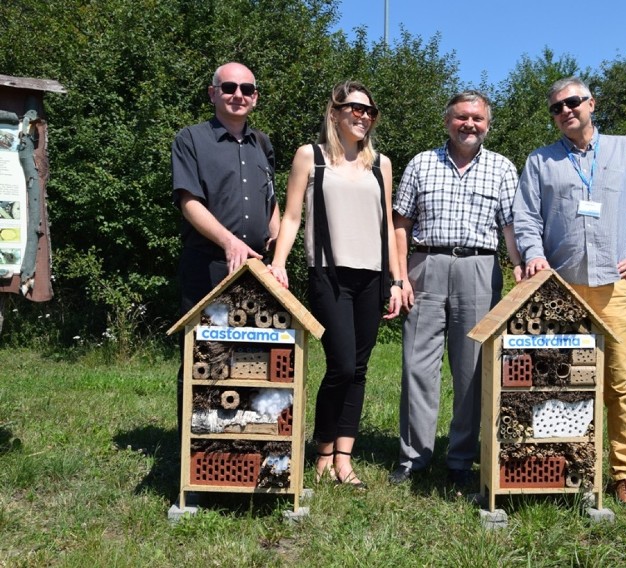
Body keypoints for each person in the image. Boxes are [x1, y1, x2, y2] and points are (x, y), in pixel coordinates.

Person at [512, 76, 626, 506]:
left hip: (611, 287)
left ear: (591, 104)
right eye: (557, 108)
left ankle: (625, 473)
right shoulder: (541, 161)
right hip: (559, 290)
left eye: (573, 102)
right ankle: (567, 463)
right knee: (559, 383)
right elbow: (525, 217)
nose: (566, 110)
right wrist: (533, 254)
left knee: (620, 384)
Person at [268, 81, 401, 490]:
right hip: (328, 274)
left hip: (373, 276)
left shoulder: (381, 164)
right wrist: (278, 264)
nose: (362, 116)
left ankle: (344, 456)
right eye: (354, 109)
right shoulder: (312, 157)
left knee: (358, 370)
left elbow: (387, 225)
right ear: (335, 112)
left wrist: (396, 281)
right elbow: (291, 217)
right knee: (340, 364)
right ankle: (323, 449)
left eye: (369, 111)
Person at [389, 90, 523, 492]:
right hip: (425, 265)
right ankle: (413, 458)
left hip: (479, 268)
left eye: (478, 119)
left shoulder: (501, 167)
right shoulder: (421, 163)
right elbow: (401, 224)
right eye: (462, 117)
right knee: (417, 366)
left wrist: (518, 265)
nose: (470, 124)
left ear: (488, 125)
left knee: (472, 370)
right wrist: (400, 276)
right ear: (447, 120)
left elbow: (510, 227)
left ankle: (461, 459)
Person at [171, 62, 279, 428]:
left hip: (257, 272)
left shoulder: (263, 143)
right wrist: (229, 241)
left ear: (256, 97)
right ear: (212, 92)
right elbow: (189, 201)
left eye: (247, 89)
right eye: (229, 87)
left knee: (257, 362)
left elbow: (273, 204)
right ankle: (197, 454)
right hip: (210, 266)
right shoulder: (190, 140)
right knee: (206, 357)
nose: (238, 95)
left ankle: (251, 447)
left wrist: (277, 259)